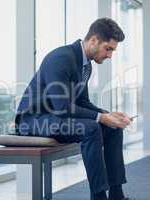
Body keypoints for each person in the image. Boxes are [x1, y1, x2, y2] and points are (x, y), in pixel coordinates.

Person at [15, 18, 132, 200]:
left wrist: (109, 116)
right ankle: (99, 196)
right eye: (108, 49)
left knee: (113, 128)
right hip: (34, 121)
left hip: (55, 118)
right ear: (93, 40)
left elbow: (82, 102)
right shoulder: (62, 58)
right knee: (92, 128)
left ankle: (117, 194)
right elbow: (62, 107)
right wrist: (100, 118)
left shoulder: (85, 65)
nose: (110, 55)